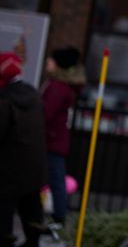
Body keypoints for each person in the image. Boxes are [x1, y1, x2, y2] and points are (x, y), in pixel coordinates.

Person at [0, 52, 48, 247]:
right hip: (34, 165)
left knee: (3, 210)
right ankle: (33, 242)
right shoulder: (33, 95)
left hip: (8, 167)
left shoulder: (4, 100)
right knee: (31, 210)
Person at [41, 46, 85, 226]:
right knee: (54, 178)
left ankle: (59, 215)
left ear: (58, 64)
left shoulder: (58, 88)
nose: (47, 62)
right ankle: (57, 214)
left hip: (51, 140)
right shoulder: (59, 85)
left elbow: (45, 114)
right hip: (54, 139)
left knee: (56, 178)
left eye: (51, 60)